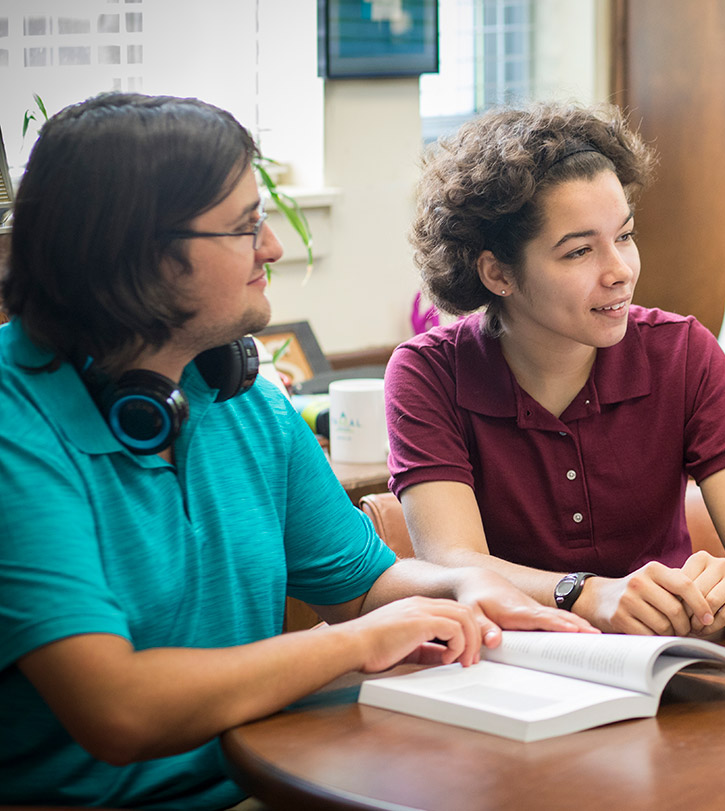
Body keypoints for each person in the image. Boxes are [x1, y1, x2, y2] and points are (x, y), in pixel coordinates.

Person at [0, 93, 594, 810]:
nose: (274, 247)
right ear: (142, 254)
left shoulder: (238, 391)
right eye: (247, 226)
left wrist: (463, 589)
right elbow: (118, 709)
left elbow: (361, 586)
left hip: (266, 786)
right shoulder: (14, 424)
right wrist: (353, 645)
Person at [387, 102, 725, 637]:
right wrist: (586, 594)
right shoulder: (428, 374)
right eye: (579, 251)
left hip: (666, 655)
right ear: (497, 273)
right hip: (507, 664)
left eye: (625, 236)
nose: (620, 272)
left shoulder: (683, 352)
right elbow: (452, 561)